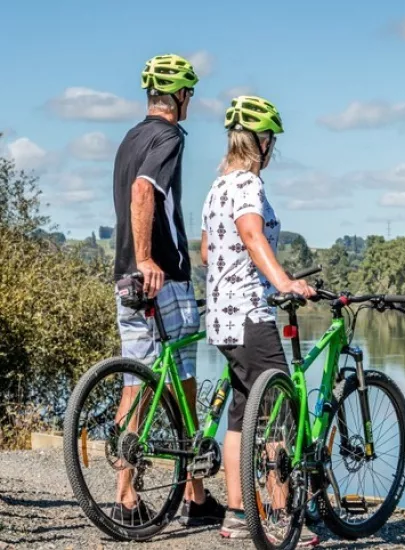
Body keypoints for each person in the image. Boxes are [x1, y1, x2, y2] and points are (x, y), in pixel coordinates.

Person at [111, 53, 226, 527]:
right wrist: (148, 258)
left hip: (127, 281)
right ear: (180, 96)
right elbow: (143, 191)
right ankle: (195, 499)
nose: (190, 104)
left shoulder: (130, 137)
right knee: (182, 382)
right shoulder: (168, 135)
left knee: (135, 381)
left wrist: (134, 264)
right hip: (164, 279)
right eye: (190, 95)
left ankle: (127, 497)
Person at [200, 95, 318, 546]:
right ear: (261, 141)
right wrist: (283, 281)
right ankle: (281, 515)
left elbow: (208, 252)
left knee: (241, 414)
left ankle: (235, 512)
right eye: (271, 140)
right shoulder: (247, 185)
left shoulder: (217, 187)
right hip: (250, 313)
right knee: (279, 415)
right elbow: (251, 235)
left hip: (223, 319)